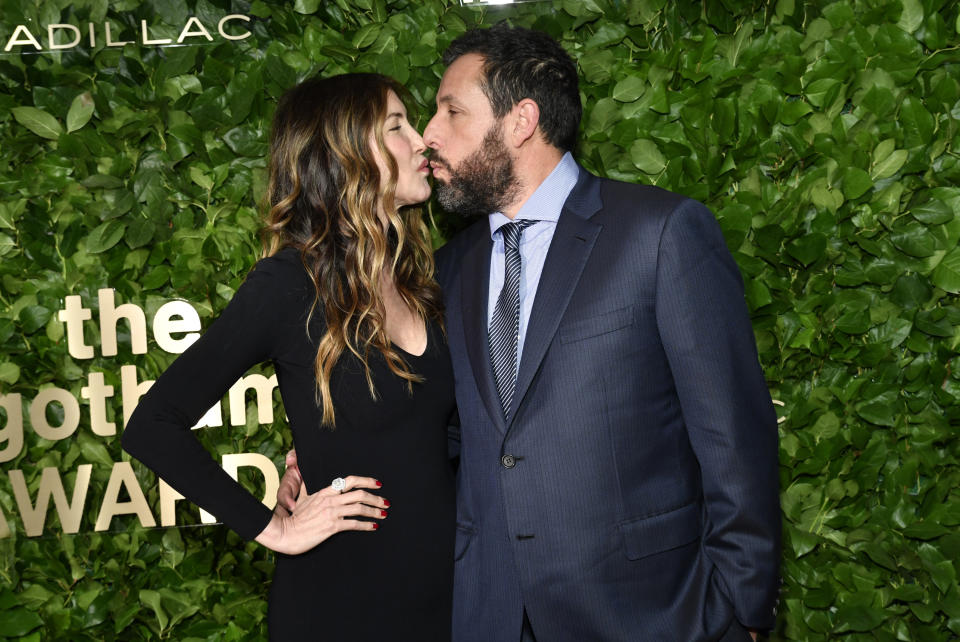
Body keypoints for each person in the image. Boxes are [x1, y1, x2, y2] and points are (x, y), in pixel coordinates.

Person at [281, 25, 781, 641]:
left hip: (650, 615)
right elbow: (453, 432)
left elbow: (733, 435)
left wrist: (743, 612)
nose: (429, 136)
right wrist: (337, 455)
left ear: (521, 120)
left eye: (451, 111)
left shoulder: (660, 234)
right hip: (488, 613)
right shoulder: (450, 268)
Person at [122, 73, 456, 641]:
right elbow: (152, 425)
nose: (420, 140)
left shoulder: (424, 279)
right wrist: (272, 528)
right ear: (347, 153)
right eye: (396, 127)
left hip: (448, 601)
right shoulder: (288, 284)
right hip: (342, 607)